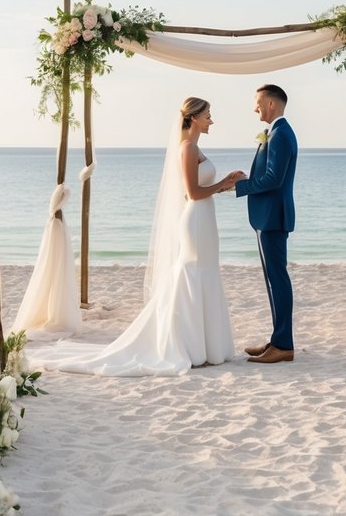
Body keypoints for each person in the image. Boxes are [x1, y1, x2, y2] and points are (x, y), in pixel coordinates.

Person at [31, 97, 242, 376]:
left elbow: (197, 189)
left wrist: (225, 186)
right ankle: (188, 344)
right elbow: (192, 193)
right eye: (208, 116)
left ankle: (206, 345)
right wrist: (223, 183)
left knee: (205, 272)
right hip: (195, 219)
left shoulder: (195, 147)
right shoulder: (187, 148)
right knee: (191, 273)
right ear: (193, 118)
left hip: (205, 218)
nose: (211, 121)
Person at [233, 83, 297, 364]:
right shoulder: (276, 132)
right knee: (273, 280)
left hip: (272, 218)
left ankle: (283, 344)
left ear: (271, 104)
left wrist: (241, 185)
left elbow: (274, 179)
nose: (254, 107)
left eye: (258, 102)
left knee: (278, 280)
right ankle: (277, 339)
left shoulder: (281, 135)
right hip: (266, 217)